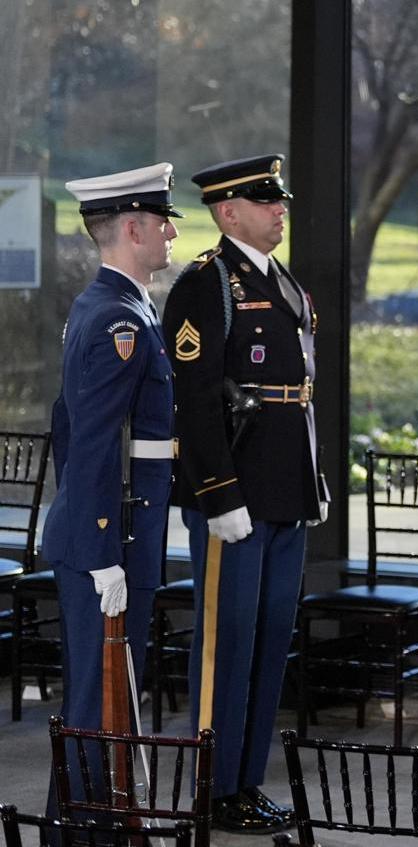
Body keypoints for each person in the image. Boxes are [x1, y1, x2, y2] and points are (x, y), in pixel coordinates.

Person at [162, 154, 329, 833]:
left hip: (286, 490)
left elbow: (301, 396)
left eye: (279, 199)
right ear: (229, 212)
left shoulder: (283, 281)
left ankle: (244, 782)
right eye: (266, 201)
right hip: (235, 496)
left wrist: (312, 481)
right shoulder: (207, 285)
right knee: (226, 643)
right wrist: (219, 494)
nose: (280, 209)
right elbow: (196, 401)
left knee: (267, 643)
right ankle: (213, 783)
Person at [43, 161, 180, 753]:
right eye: (162, 222)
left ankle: (85, 826)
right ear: (132, 228)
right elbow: (92, 438)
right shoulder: (118, 318)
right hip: (113, 537)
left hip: (116, 526)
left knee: (105, 705)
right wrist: (101, 548)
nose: (172, 233)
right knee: (100, 708)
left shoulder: (111, 305)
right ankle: (86, 829)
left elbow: (64, 423)